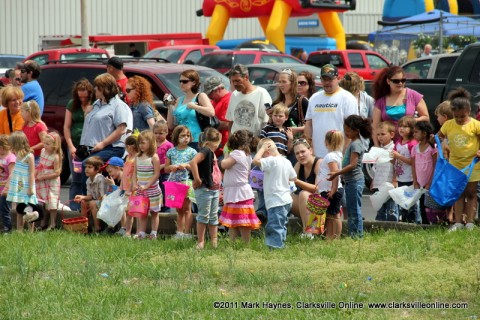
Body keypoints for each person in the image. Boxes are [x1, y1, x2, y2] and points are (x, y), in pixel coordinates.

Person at [437, 88, 480, 231]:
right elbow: (439, 136)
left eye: (463, 116)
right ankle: (458, 222)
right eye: (457, 117)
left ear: (468, 111)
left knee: (471, 193)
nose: (460, 120)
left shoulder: (475, 125)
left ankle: (470, 222)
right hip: (455, 164)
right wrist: (442, 144)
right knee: (458, 193)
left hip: (473, 164)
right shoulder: (448, 125)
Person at [79, 73, 130, 191]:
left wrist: (102, 144)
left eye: (98, 87)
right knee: (83, 172)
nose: (95, 89)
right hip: (91, 148)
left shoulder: (118, 105)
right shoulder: (97, 103)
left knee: (87, 165)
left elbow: (121, 129)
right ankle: (87, 201)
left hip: (111, 147)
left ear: (107, 88)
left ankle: (87, 199)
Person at [328, 115, 371, 239]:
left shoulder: (356, 144)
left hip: (355, 181)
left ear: (356, 130)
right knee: (352, 209)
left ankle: (357, 235)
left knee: (354, 210)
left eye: (347, 130)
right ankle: (354, 234)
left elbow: (353, 165)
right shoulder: (353, 143)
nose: (345, 133)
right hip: (350, 181)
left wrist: (337, 173)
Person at [304, 64, 358, 158]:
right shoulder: (314, 98)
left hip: (338, 154)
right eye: (324, 79)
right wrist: (309, 146)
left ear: (338, 78)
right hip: (317, 155)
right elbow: (309, 124)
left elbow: (352, 128)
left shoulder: (347, 98)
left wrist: (345, 152)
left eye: (330, 79)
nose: (327, 82)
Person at [252, 138, 297, 249]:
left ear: (267, 152)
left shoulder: (272, 160)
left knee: (274, 226)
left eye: (263, 155)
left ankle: (274, 247)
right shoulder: (286, 161)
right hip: (286, 200)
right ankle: (281, 244)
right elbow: (294, 177)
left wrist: (261, 149)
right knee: (282, 225)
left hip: (276, 200)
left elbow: (255, 161)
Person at [219, 130, 261, 243]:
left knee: (242, 221)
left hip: (238, 192)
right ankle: (235, 242)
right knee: (235, 220)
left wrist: (226, 154)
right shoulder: (247, 155)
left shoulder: (236, 153)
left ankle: (244, 243)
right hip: (238, 191)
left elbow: (224, 164)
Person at [371, 66, 429, 145]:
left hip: (410, 144)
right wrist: (377, 146)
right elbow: (375, 127)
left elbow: (426, 117)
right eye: (396, 81)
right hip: (388, 146)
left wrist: (412, 121)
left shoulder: (413, 95)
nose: (400, 83)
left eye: (403, 80)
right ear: (388, 81)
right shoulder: (381, 101)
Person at [64, 79, 94, 210]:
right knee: (76, 178)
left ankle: (86, 206)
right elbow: (67, 126)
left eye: (85, 96)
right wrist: (71, 146)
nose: (82, 99)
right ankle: (74, 207)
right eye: (79, 96)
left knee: (88, 178)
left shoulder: (95, 104)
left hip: (90, 147)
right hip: (75, 146)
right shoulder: (72, 104)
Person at [190, 128, 222, 249]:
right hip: (205, 189)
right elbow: (193, 162)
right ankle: (201, 242)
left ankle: (214, 241)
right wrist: (197, 179)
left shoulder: (211, 153)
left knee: (213, 216)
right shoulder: (206, 150)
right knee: (203, 216)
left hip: (214, 189)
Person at [166, 70, 215, 149]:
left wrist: (194, 106)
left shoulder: (200, 96)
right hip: (180, 141)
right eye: (180, 81)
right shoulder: (179, 100)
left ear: (194, 82)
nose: (181, 84)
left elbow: (211, 112)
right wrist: (169, 106)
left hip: (196, 141)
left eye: (185, 81)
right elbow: (171, 125)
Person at [165, 125, 197, 239]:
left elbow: (195, 166)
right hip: (174, 183)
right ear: (176, 137)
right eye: (183, 135)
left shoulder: (192, 151)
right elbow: (166, 168)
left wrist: (187, 165)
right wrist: (172, 167)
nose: (186, 138)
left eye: (188, 135)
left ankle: (187, 233)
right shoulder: (171, 152)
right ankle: (179, 232)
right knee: (179, 209)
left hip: (186, 181)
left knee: (187, 208)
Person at [132, 130, 162, 240]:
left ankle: (154, 233)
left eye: (143, 143)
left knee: (154, 212)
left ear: (151, 143)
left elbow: (157, 173)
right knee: (142, 213)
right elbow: (134, 172)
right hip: (141, 191)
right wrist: (135, 184)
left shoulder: (154, 157)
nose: (141, 145)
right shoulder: (137, 157)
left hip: (152, 191)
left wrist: (147, 185)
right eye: (139, 143)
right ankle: (142, 232)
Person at [6, 132, 39, 232]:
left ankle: (30, 231)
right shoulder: (16, 155)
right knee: (19, 208)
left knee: (29, 208)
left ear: (17, 143)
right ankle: (19, 230)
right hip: (18, 185)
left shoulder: (29, 156)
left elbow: (31, 173)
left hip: (27, 185)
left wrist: (30, 188)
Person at [226, 64, 271, 136]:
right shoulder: (234, 95)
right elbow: (231, 120)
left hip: (253, 140)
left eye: (238, 81)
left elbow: (267, 120)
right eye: (233, 81)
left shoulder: (261, 93)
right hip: (236, 141)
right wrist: (229, 136)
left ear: (246, 77)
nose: (235, 84)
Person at [316, 130, 344, 240]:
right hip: (330, 189)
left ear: (326, 142)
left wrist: (333, 189)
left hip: (330, 190)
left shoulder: (330, 156)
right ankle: (330, 236)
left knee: (334, 215)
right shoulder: (338, 155)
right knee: (331, 215)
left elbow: (335, 174)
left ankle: (334, 237)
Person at [392, 116, 420, 224]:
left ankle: (413, 222)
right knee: (402, 200)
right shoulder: (399, 142)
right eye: (400, 126)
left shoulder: (412, 144)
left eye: (405, 126)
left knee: (411, 201)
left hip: (410, 177)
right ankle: (404, 220)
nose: (401, 129)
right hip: (401, 177)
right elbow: (394, 158)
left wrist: (398, 156)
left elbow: (413, 162)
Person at [411, 121, 441, 224]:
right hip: (419, 181)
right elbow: (413, 165)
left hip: (429, 182)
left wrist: (430, 182)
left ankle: (432, 222)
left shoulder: (432, 148)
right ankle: (424, 223)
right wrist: (415, 181)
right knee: (421, 203)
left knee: (429, 204)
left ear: (424, 133)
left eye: (416, 132)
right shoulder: (415, 149)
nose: (414, 134)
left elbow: (435, 165)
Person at [291, 138, 321, 235]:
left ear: (311, 150)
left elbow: (317, 189)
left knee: (303, 194)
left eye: (303, 151)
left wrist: (296, 181)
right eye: (297, 153)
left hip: (324, 204)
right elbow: (287, 181)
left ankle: (308, 233)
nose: (300, 155)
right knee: (286, 197)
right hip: (309, 206)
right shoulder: (299, 165)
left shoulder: (319, 163)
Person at [74, 156, 108, 233]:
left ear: (97, 169)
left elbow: (102, 196)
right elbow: (90, 196)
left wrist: (92, 203)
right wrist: (82, 197)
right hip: (96, 201)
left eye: (90, 167)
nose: (86, 169)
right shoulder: (88, 180)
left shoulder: (100, 179)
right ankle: (84, 227)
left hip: (104, 201)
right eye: (86, 167)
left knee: (92, 203)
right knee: (83, 202)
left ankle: (97, 228)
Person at [36, 132, 62, 231]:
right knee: (43, 201)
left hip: (51, 182)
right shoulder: (43, 151)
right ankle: (43, 223)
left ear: (55, 145)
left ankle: (53, 224)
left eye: (48, 144)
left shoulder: (55, 157)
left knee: (52, 202)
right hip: (42, 179)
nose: (45, 146)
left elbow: (57, 173)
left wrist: (44, 177)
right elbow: (40, 165)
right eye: (44, 143)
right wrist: (36, 175)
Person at [272, 69, 309, 138]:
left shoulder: (302, 101)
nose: (281, 85)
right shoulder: (276, 103)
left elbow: (311, 125)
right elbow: (271, 125)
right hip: (279, 142)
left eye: (284, 82)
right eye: (279, 82)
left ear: (292, 83)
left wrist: (297, 129)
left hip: (296, 143)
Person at [373, 121, 398, 222]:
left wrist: (394, 180)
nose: (380, 137)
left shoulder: (393, 149)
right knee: (380, 209)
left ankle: (393, 229)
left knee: (391, 210)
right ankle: (379, 229)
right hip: (379, 183)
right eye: (378, 134)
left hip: (389, 183)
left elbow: (397, 166)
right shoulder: (379, 150)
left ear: (391, 134)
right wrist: (373, 182)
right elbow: (376, 168)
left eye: (383, 134)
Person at [203, 76, 231, 157]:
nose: (209, 96)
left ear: (218, 89)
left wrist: (210, 123)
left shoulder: (228, 100)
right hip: (215, 147)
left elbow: (228, 124)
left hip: (224, 147)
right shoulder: (215, 101)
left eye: (210, 93)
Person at [121, 135, 139, 237]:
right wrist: (121, 185)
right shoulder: (128, 157)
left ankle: (131, 231)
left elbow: (134, 174)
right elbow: (124, 173)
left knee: (132, 211)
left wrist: (132, 186)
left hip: (133, 188)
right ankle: (127, 231)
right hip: (126, 187)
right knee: (127, 210)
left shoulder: (136, 157)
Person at [153, 120, 173, 213]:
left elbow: (172, 160)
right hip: (154, 174)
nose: (157, 136)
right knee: (156, 193)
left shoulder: (169, 145)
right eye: (155, 133)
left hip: (165, 174)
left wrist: (161, 166)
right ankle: (157, 210)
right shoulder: (152, 145)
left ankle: (166, 212)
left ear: (166, 133)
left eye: (160, 133)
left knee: (165, 193)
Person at [21, 101, 47, 165]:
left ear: (28, 112)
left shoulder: (40, 126)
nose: (21, 114)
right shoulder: (25, 125)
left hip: (37, 157)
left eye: (22, 111)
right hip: (26, 155)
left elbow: (44, 142)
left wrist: (31, 148)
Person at [0, 135, 16, 232]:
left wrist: (7, 187)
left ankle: (8, 228)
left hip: (6, 190)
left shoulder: (10, 158)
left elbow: (12, 174)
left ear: (1, 148)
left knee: (4, 209)